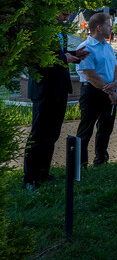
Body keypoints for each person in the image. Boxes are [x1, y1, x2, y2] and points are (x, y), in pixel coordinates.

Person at [23, 11, 82, 190]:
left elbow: (58, 54)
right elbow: (36, 60)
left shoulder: (59, 30)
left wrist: (75, 54)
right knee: (38, 134)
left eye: (69, 15)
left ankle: (43, 172)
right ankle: (29, 179)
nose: (66, 18)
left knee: (52, 134)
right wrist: (64, 58)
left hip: (60, 88)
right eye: (64, 14)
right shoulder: (39, 29)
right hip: (43, 88)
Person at [74, 12, 117, 167]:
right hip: (92, 92)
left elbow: (115, 67)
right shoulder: (85, 48)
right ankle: (81, 164)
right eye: (109, 24)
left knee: (106, 127)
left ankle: (101, 159)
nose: (112, 27)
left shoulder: (107, 46)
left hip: (109, 90)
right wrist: (111, 91)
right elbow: (90, 75)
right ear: (99, 28)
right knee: (86, 128)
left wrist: (116, 83)